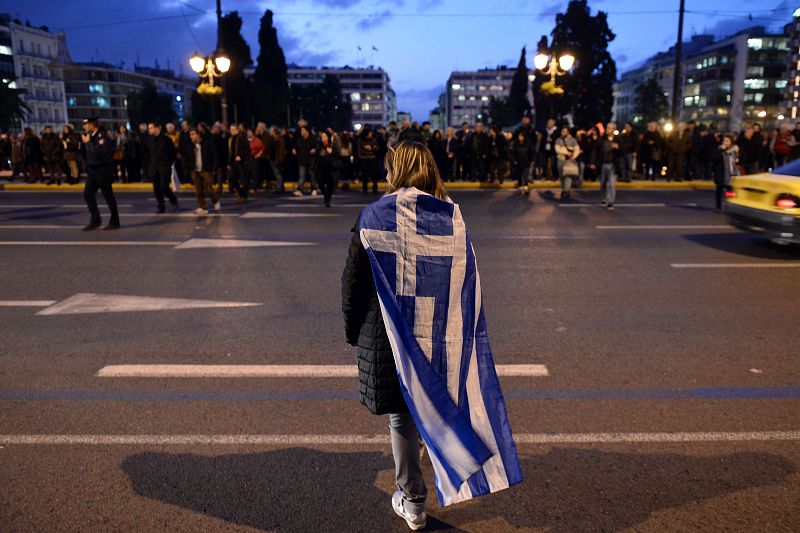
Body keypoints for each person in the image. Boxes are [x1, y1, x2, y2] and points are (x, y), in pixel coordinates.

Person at [342, 141, 522, 530]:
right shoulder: (452, 218)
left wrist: (353, 330)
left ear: (397, 170)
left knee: (401, 419)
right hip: (440, 333)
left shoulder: (373, 216)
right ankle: (433, 464)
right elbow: (464, 280)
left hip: (392, 337)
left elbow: (353, 283)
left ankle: (414, 500)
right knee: (427, 406)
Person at [80, 117, 120, 230]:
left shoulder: (102, 137)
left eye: (86, 124)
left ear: (92, 125)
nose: (84, 126)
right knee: (88, 194)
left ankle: (115, 221)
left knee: (108, 195)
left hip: (102, 170)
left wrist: (88, 143)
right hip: (92, 170)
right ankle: (95, 219)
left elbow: (98, 153)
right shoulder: (91, 136)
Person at [147, 122, 179, 213]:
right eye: (149, 128)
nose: (149, 130)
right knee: (156, 189)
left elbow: (173, 153)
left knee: (164, 187)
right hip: (154, 168)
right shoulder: (150, 140)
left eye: (151, 128)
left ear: (157, 128)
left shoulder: (166, 139)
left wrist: (168, 164)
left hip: (164, 167)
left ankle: (173, 199)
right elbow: (148, 153)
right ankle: (161, 205)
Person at [188, 128, 221, 214]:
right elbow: (187, 158)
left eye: (193, 134)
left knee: (209, 188)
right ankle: (203, 207)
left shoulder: (207, 144)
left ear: (198, 135)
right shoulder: (191, 146)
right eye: (190, 134)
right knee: (198, 190)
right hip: (195, 170)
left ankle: (215, 201)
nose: (191, 136)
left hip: (206, 169)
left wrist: (214, 169)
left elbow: (215, 156)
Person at [592, 123, 620, 209]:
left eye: (610, 128)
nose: (607, 129)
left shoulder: (618, 139)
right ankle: (605, 197)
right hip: (603, 164)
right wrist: (593, 163)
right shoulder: (601, 139)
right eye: (607, 128)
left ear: (614, 129)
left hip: (612, 165)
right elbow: (595, 151)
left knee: (611, 184)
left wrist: (618, 148)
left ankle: (610, 201)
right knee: (603, 184)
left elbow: (624, 150)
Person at [713, 135, 739, 210]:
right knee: (719, 190)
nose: (725, 142)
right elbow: (714, 158)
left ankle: (730, 205)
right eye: (724, 141)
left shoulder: (734, 150)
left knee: (730, 190)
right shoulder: (719, 149)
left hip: (730, 173)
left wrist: (737, 157)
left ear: (731, 142)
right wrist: (721, 150)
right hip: (721, 173)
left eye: (727, 141)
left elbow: (739, 160)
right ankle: (718, 205)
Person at [555, 126, 580, 199]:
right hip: (560, 160)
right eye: (562, 131)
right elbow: (557, 149)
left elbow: (577, 149)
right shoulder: (558, 140)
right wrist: (567, 153)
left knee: (568, 176)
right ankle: (563, 189)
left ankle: (566, 190)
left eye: (564, 131)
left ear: (568, 132)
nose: (563, 133)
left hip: (569, 161)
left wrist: (573, 157)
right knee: (561, 176)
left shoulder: (573, 140)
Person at [228, 123, 251, 202]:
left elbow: (247, 150)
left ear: (237, 130)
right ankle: (241, 193)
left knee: (243, 180)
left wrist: (241, 156)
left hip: (242, 162)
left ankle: (244, 196)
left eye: (233, 129)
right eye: (231, 129)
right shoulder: (232, 138)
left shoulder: (241, 137)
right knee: (231, 179)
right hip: (234, 162)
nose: (231, 131)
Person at [293, 125, 317, 197]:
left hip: (311, 160)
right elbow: (296, 146)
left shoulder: (312, 139)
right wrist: (294, 149)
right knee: (301, 176)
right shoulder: (300, 139)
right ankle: (300, 190)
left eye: (303, 130)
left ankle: (313, 189)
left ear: (307, 131)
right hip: (302, 160)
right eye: (301, 131)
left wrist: (315, 150)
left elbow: (317, 146)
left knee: (312, 175)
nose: (301, 132)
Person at [358, 126, 380, 194]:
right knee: (364, 175)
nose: (371, 134)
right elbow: (360, 150)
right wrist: (369, 149)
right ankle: (365, 189)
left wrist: (370, 148)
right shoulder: (360, 140)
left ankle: (375, 189)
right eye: (369, 133)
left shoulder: (373, 140)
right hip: (364, 159)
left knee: (374, 174)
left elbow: (377, 148)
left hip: (372, 159)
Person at [316, 131, 335, 207]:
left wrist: (331, 152)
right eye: (322, 136)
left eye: (324, 136)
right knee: (320, 183)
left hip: (330, 167)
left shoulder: (332, 145)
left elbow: (337, 154)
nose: (323, 138)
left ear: (328, 137)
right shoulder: (319, 145)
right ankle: (325, 195)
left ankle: (328, 199)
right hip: (321, 167)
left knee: (330, 185)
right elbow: (317, 154)